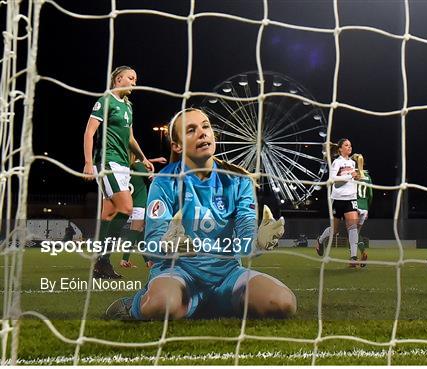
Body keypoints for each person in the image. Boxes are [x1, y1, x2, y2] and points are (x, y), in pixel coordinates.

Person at [105, 108, 296, 320]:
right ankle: (134, 303)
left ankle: (217, 301)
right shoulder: (165, 181)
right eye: (191, 130)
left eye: (206, 126)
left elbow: (245, 240)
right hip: (179, 275)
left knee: (282, 302)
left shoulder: (239, 181)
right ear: (177, 145)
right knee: (162, 305)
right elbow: (153, 242)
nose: (203, 133)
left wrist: (258, 242)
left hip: (227, 276)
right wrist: (168, 244)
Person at [83, 66, 154, 279]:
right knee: (127, 207)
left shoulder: (128, 106)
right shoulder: (105, 100)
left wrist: (143, 158)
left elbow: (130, 139)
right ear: (119, 79)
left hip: (123, 164)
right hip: (107, 162)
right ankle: (102, 259)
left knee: (109, 213)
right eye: (131, 78)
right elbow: (89, 131)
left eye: (135, 78)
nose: (134, 82)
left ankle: (100, 265)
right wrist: (88, 162)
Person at [316, 139, 361, 268]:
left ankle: (353, 257)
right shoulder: (337, 162)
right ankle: (320, 240)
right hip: (337, 199)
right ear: (340, 149)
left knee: (352, 226)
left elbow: (352, 179)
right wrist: (350, 176)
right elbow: (333, 179)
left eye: (350, 145)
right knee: (335, 230)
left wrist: (356, 177)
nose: (349, 147)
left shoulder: (353, 163)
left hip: (351, 198)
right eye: (346, 145)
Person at [116, 155, 167, 269]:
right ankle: (124, 259)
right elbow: (151, 178)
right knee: (134, 231)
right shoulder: (140, 167)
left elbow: (142, 162)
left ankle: (148, 260)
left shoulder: (126, 167)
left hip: (128, 202)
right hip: (139, 203)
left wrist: (156, 160)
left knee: (139, 233)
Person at [351, 153, 372, 268]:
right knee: (356, 233)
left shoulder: (352, 174)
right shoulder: (367, 176)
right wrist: (367, 209)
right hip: (364, 207)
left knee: (352, 233)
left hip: (354, 205)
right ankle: (358, 256)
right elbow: (370, 194)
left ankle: (358, 256)